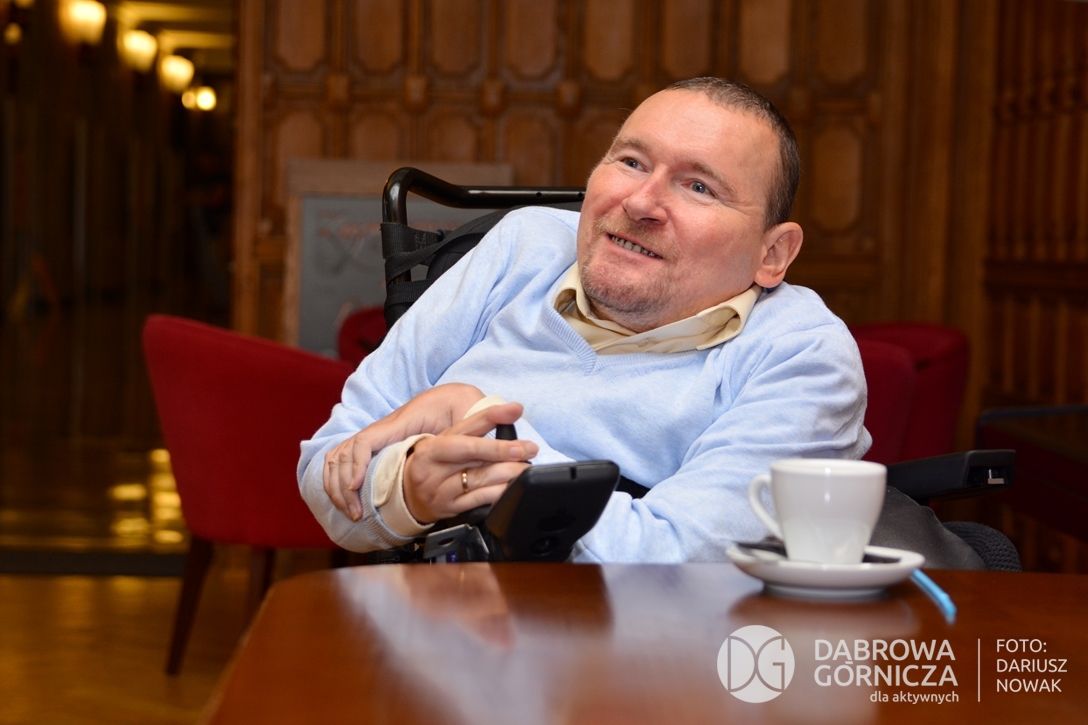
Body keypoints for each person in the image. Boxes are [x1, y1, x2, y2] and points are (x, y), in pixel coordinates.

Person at [298, 77, 871, 562]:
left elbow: (677, 561)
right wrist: (409, 492)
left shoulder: (801, 353)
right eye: (631, 161)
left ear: (773, 254)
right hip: (439, 620)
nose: (640, 202)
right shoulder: (522, 248)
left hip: (641, 654)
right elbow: (330, 465)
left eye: (699, 186)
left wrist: (472, 416)